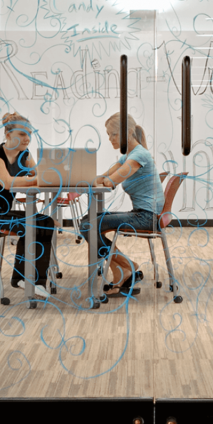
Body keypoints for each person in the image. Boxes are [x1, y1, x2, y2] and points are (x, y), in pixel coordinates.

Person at [0, 112, 55, 299]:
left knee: (46, 222)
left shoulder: (24, 155)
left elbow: (40, 176)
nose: (27, 138)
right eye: (22, 134)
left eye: (29, 134)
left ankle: (37, 282)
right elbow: (7, 183)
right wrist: (36, 178)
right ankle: (22, 278)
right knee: (30, 224)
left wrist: (42, 177)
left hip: (3, 212)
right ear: (8, 135)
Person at [80, 113, 164, 296]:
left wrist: (104, 179)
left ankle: (126, 266)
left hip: (147, 217)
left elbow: (111, 181)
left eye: (114, 134)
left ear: (128, 132)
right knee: (86, 221)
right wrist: (97, 178)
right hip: (141, 214)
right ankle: (123, 270)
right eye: (108, 135)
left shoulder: (139, 155)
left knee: (88, 225)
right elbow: (103, 177)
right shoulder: (128, 156)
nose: (110, 139)